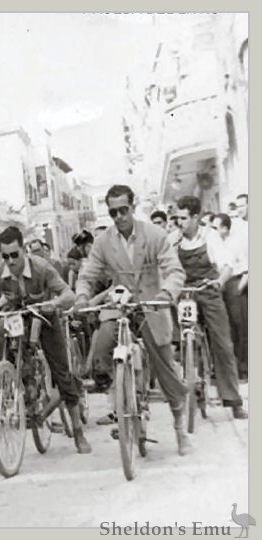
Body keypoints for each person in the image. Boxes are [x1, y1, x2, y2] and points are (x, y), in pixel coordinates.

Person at [74, 184, 191, 455]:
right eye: (113, 212)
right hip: (122, 306)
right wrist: (82, 296)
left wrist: (166, 293)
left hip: (152, 304)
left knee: (165, 367)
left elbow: (174, 270)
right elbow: (88, 273)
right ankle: (122, 398)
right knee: (102, 343)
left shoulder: (155, 234)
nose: (118, 217)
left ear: (133, 207)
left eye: (123, 210)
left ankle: (179, 427)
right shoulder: (104, 241)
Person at [0, 226, 92, 454]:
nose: (10, 261)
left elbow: (69, 294)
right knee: (3, 342)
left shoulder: (42, 268)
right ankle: (19, 391)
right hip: (19, 319)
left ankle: (78, 432)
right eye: (5, 256)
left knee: (63, 375)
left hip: (46, 318)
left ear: (24, 251)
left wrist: (53, 303)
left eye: (15, 255)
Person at [169, 196, 247, 418]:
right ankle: (192, 381)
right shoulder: (173, 240)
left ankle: (233, 400)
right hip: (185, 294)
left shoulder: (210, 237)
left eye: (183, 218)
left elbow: (226, 265)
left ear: (195, 218)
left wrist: (220, 281)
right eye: (177, 218)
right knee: (183, 340)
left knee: (222, 343)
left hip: (209, 290)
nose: (179, 223)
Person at [211, 213, 248, 380]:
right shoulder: (213, 244)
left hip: (235, 283)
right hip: (218, 284)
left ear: (225, 228)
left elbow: (247, 268)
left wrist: (238, 290)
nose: (211, 231)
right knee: (222, 327)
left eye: (215, 227)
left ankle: (243, 367)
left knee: (239, 326)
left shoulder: (237, 243)